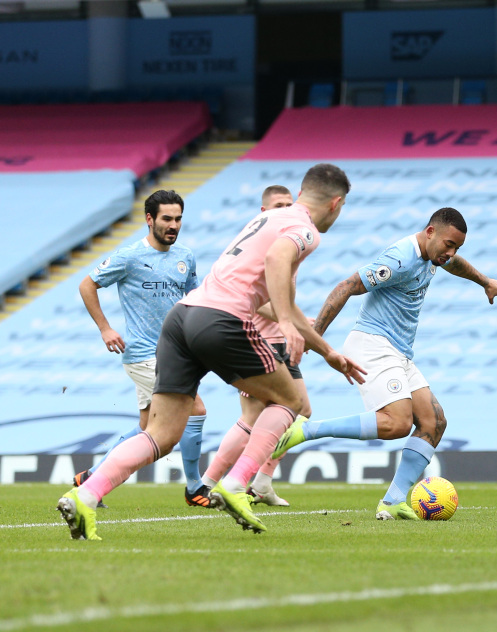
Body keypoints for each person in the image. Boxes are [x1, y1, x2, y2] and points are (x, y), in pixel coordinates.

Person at [56, 164, 366, 540]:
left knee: (161, 434)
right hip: (223, 320)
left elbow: (272, 281)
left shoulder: (267, 218)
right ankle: (236, 485)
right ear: (336, 203)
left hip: (181, 319)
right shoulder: (305, 229)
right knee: (292, 401)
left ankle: (85, 495)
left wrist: (327, 352)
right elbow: (276, 261)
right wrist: (284, 320)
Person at [271, 208, 497, 521]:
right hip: (373, 344)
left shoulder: (436, 254)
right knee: (397, 423)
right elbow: (346, 286)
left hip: (398, 351)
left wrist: (485, 281)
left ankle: (393, 501)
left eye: (457, 247)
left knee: (433, 422)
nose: (450, 253)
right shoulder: (400, 259)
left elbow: (455, 264)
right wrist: (316, 338)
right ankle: (308, 429)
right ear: (430, 232)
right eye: (449, 244)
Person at [76, 189, 212, 508]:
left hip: (175, 354)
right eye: (166, 218)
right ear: (149, 220)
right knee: (195, 410)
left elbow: (194, 302)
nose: (173, 225)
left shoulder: (185, 257)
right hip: (144, 353)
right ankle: (194, 487)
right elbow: (87, 284)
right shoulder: (129, 257)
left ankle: (91, 478)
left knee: (147, 428)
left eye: (178, 218)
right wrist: (105, 328)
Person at [197, 185, 309, 508]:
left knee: (299, 410)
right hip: (260, 338)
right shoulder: (259, 246)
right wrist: (289, 319)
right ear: (263, 212)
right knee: (252, 418)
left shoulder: (286, 242)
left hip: (279, 339)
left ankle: (259, 480)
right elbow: (249, 298)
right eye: (278, 205)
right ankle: (212, 482)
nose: (286, 210)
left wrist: (297, 322)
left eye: (290, 205)